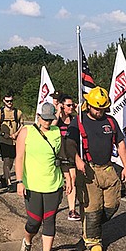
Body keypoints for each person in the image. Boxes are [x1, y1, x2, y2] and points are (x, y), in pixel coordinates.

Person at [67, 86, 126, 251]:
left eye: (102, 108)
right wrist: (77, 159)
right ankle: (93, 241)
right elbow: (70, 144)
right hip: (88, 169)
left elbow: (121, 143)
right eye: (96, 108)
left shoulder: (110, 121)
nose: (99, 111)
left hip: (108, 169)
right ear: (88, 105)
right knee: (93, 208)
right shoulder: (79, 121)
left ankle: (90, 226)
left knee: (112, 205)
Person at [16, 103, 71, 251]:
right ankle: (27, 242)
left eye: (50, 119)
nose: (47, 122)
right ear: (38, 116)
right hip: (32, 185)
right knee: (33, 222)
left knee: (49, 220)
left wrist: (68, 178)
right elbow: (19, 158)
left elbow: (61, 157)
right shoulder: (26, 132)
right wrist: (19, 181)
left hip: (53, 184)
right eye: (44, 119)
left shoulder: (56, 133)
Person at [54, 93, 81, 221]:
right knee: (67, 179)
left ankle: (72, 210)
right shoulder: (57, 119)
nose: (71, 107)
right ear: (62, 105)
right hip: (60, 153)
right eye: (68, 105)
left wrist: (77, 109)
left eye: (72, 105)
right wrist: (58, 111)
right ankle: (54, 204)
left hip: (71, 152)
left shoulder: (75, 119)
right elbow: (52, 125)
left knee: (73, 178)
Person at [0, 92, 25, 190]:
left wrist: (16, 134)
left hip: (14, 141)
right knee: (6, 161)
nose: (10, 103)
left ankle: (3, 177)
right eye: (7, 101)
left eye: (11, 101)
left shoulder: (18, 112)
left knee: (11, 161)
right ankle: (9, 183)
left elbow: (22, 125)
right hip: (4, 140)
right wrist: (3, 134)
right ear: (4, 101)